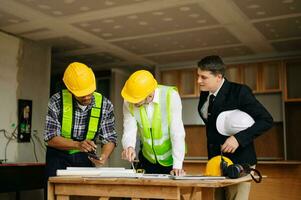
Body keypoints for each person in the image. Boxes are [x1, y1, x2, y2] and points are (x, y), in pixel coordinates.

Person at [197, 55, 273, 200]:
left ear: (218, 77)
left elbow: (266, 120)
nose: (198, 81)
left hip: (240, 162)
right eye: (198, 76)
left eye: (203, 77)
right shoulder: (204, 94)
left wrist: (238, 138)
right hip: (215, 163)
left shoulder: (240, 92)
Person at [44, 62, 117, 182]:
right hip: (58, 159)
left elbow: (110, 138)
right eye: (81, 94)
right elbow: (50, 137)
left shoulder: (105, 105)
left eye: (89, 92)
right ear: (70, 89)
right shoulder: (56, 101)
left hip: (85, 159)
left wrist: (104, 156)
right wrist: (78, 145)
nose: (87, 97)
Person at [121, 70, 185, 176]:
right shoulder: (129, 101)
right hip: (147, 159)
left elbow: (177, 132)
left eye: (136, 100)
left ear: (149, 95)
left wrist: (178, 165)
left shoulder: (171, 96)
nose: (132, 102)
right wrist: (129, 146)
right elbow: (129, 129)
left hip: (171, 160)